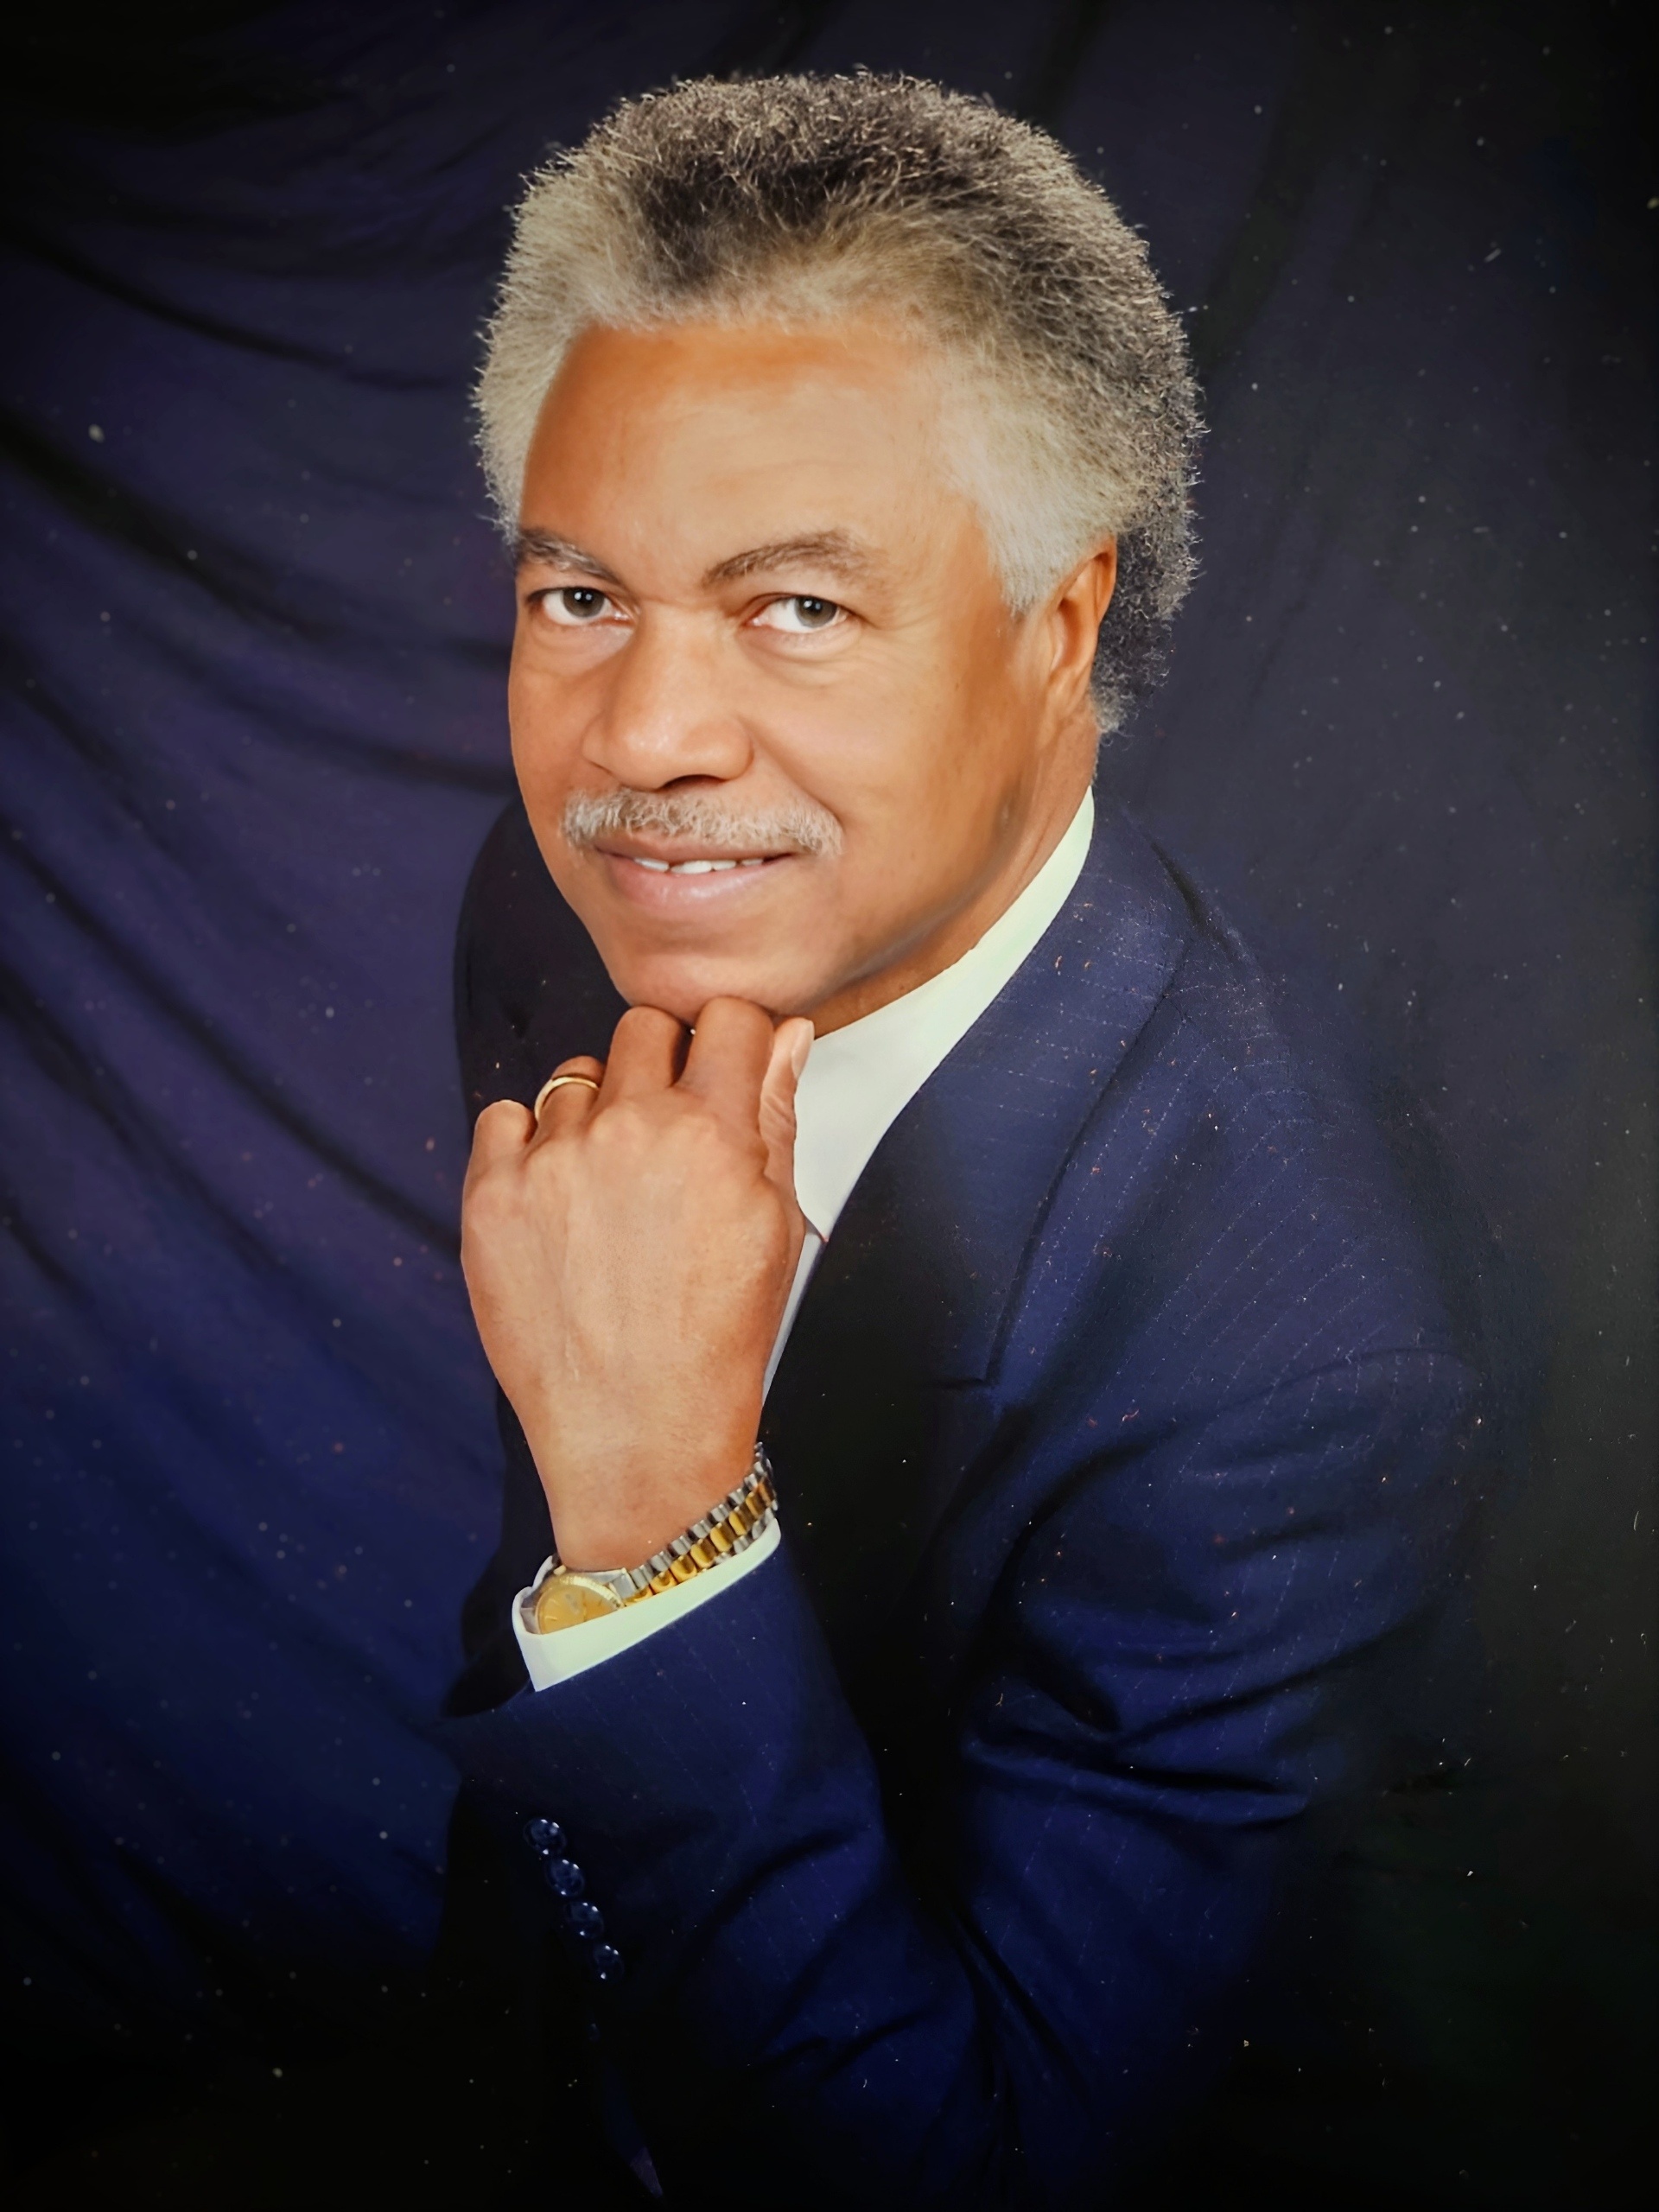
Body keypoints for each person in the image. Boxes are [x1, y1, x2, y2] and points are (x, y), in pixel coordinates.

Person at [438, 73, 1480, 2208]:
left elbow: (968, 2171)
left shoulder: (1297, 1348)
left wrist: (650, 1518)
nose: (642, 739)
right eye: (580, 596)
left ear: (1059, 628)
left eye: (799, 608)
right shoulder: (578, 910)